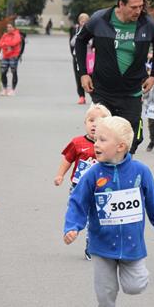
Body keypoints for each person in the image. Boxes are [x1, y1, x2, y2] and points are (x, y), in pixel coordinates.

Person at [63, 116, 154, 307]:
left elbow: (152, 198)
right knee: (105, 291)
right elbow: (78, 202)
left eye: (103, 140)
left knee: (134, 286)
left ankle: (133, 277)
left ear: (120, 146)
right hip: (101, 244)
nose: (96, 144)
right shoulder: (93, 174)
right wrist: (73, 227)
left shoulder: (140, 171)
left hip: (132, 244)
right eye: (95, 139)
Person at [74, 0, 154, 154]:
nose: (138, 11)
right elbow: (80, 41)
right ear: (121, 4)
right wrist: (83, 74)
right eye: (133, 7)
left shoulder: (148, 24)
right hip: (103, 90)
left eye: (141, 6)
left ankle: (123, 166)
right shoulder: (100, 19)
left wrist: (153, 75)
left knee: (130, 139)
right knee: (100, 137)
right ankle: (103, 169)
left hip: (131, 91)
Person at [54, 103, 112, 260]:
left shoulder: (109, 145)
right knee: (78, 211)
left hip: (101, 189)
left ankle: (91, 245)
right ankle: (73, 228)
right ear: (85, 123)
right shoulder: (77, 142)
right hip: (78, 187)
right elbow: (67, 159)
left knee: (96, 219)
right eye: (91, 120)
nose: (94, 124)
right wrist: (60, 175)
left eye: (100, 121)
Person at [69, 13, 90, 104]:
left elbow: (93, 43)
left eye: (86, 21)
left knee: (92, 76)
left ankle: (94, 96)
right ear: (79, 21)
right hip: (77, 56)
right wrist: (79, 35)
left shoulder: (91, 30)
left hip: (89, 56)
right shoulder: (76, 30)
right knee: (79, 76)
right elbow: (72, 43)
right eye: (82, 21)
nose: (84, 23)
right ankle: (81, 96)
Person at [0, 23, 22, 96]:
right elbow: (0, 44)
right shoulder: (5, 35)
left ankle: (13, 90)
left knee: (14, 72)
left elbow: (14, 43)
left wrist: (5, 44)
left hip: (13, 56)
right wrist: (7, 45)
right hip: (5, 56)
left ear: (13, 28)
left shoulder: (17, 35)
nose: (9, 29)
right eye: (8, 27)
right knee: (3, 72)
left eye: (10, 27)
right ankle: (5, 89)